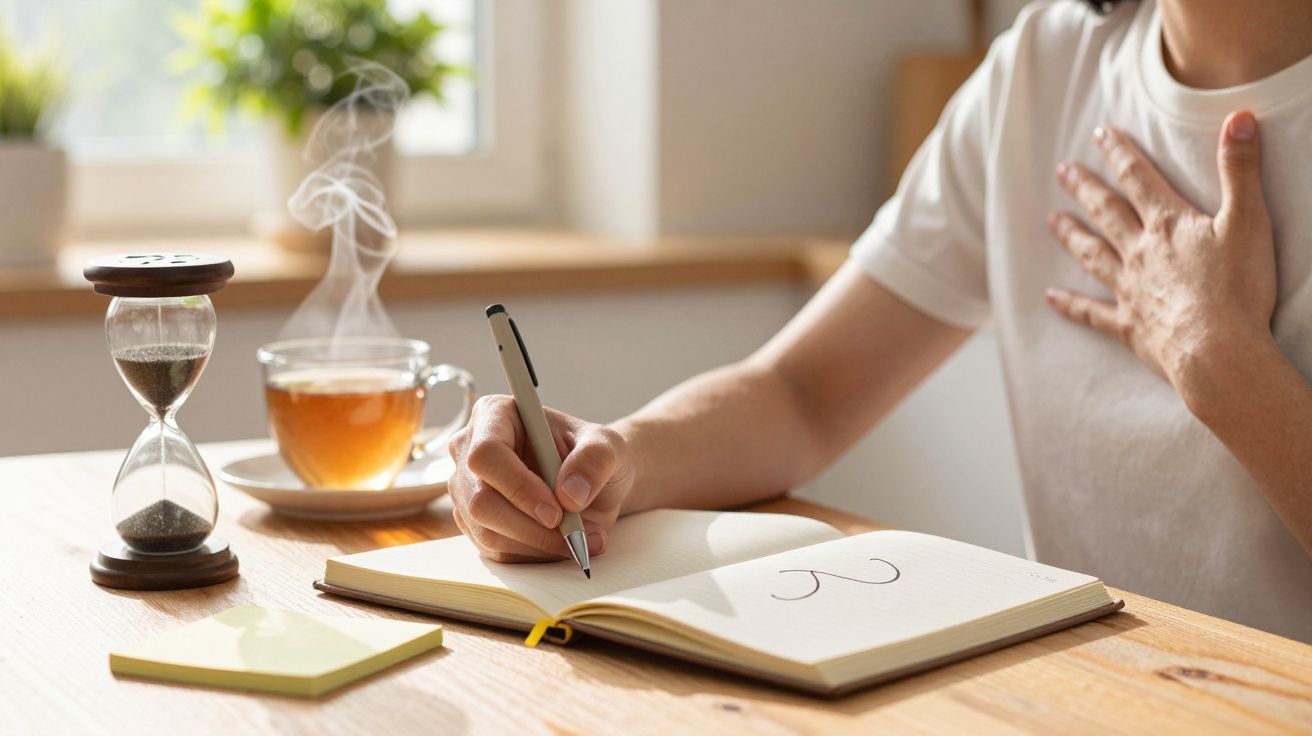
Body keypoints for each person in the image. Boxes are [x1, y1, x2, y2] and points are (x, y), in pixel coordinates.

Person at [447, 0, 1312, 643]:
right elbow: (803, 392)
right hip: (1083, 694)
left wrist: (1216, 359)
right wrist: (608, 463)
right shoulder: (1045, 66)